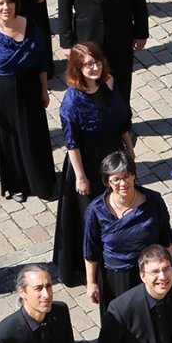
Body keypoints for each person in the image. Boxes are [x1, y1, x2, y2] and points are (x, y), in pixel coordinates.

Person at [53, 43, 133, 287]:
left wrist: (129, 149)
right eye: (89, 64)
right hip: (87, 161)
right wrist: (80, 177)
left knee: (118, 203)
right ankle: (90, 266)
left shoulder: (109, 82)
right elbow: (72, 144)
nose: (95, 67)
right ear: (78, 68)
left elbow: (121, 119)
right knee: (91, 216)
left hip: (112, 153)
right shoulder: (72, 102)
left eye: (97, 61)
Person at [0, 0, 56, 202]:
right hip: (4, 93)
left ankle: (42, 182)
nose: (5, 7)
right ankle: (17, 184)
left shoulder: (30, 25)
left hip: (30, 87)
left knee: (35, 135)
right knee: (12, 140)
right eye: (0, 3)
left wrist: (44, 89)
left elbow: (40, 63)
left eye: (9, 2)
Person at [84, 152, 172, 313]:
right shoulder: (96, 210)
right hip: (116, 278)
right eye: (116, 179)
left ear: (134, 175)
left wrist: (164, 274)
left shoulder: (153, 201)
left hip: (149, 272)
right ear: (107, 181)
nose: (123, 183)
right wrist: (91, 283)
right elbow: (91, 250)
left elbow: (166, 241)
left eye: (127, 176)